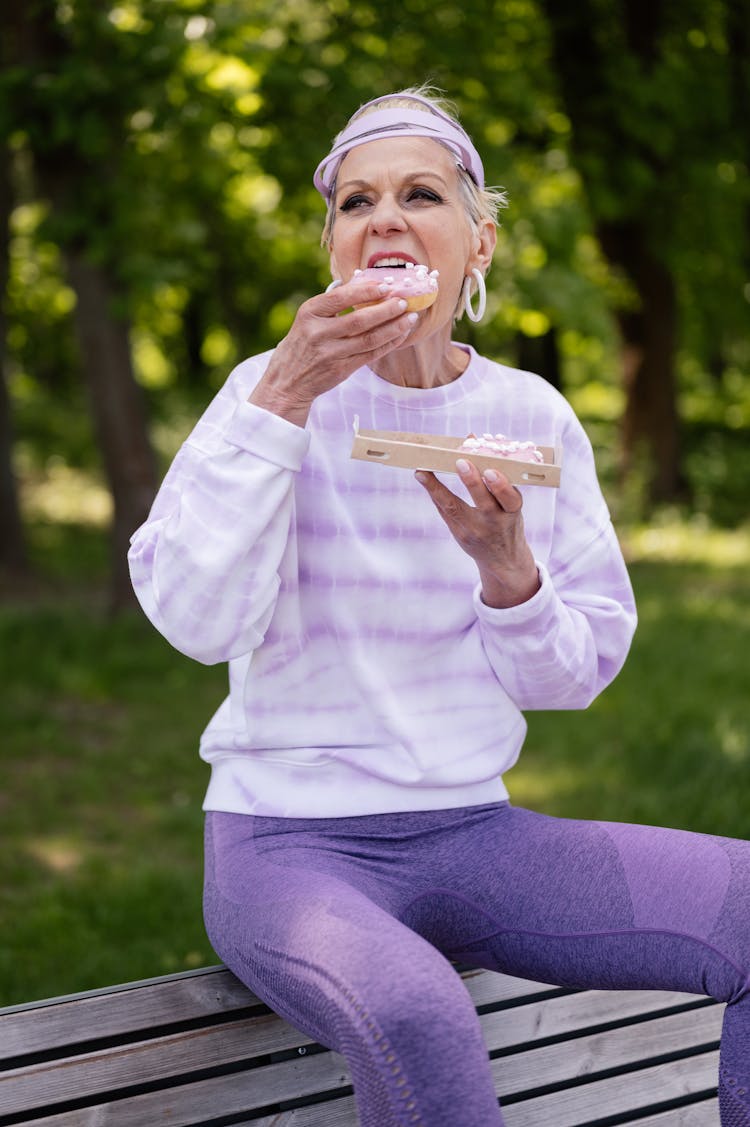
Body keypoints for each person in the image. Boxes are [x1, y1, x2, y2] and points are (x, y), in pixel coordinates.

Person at [128, 87, 750, 1127]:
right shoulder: (263, 391)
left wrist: (509, 574)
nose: (384, 217)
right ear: (333, 245)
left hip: (473, 830)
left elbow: (575, 674)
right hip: (286, 843)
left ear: (478, 245)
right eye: (355, 201)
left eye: (420, 193)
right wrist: (283, 400)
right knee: (421, 1013)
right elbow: (190, 619)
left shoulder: (528, 414)